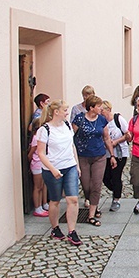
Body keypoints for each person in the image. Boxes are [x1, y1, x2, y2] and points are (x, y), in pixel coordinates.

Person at [36, 100, 83, 245]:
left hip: (69, 166)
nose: (67, 113)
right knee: (55, 200)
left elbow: (72, 146)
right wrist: (52, 169)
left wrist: (77, 165)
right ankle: (55, 228)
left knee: (73, 199)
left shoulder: (68, 125)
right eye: (65, 110)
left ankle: (72, 231)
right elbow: (41, 153)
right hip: (52, 169)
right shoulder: (44, 130)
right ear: (56, 112)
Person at [71, 95, 117, 226]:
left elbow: (106, 138)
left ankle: (91, 215)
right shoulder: (79, 119)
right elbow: (72, 137)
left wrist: (112, 156)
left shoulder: (102, 120)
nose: (101, 108)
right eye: (98, 106)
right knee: (86, 185)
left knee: (96, 185)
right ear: (91, 107)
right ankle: (93, 204)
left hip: (99, 156)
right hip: (83, 156)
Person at [100, 100, 130, 212]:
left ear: (108, 110)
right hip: (106, 153)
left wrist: (116, 141)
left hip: (120, 153)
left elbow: (128, 135)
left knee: (116, 175)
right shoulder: (101, 121)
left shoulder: (118, 119)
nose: (100, 112)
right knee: (105, 177)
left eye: (102, 110)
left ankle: (116, 199)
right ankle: (116, 189)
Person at [27, 120, 48, 217]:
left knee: (42, 186)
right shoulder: (36, 139)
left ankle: (42, 205)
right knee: (38, 187)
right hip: (37, 164)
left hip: (41, 164)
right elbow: (31, 154)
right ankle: (37, 207)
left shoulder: (39, 138)